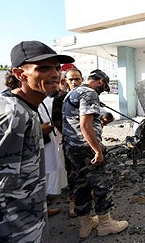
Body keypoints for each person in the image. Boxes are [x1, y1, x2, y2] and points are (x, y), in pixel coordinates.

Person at [0, 40, 74, 242]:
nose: (55, 74)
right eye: (43, 68)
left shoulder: (28, 108)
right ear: (19, 74)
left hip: (31, 220)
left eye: (57, 68)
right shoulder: (11, 113)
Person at [62, 69, 128, 238]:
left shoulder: (71, 94)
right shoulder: (89, 93)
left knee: (80, 185)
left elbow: (75, 123)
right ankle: (105, 224)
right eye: (104, 87)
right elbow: (85, 126)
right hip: (86, 149)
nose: (102, 90)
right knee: (101, 185)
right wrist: (97, 150)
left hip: (72, 148)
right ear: (100, 81)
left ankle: (85, 225)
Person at [52, 67, 84, 218]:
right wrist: (70, 135)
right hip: (70, 143)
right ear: (65, 81)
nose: (74, 82)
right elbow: (57, 121)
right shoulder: (60, 98)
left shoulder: (85, 96)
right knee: (73, 174)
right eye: (71, 79)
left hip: (87, 143)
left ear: (82, 80)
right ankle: (73, 202)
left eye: (77, 79)